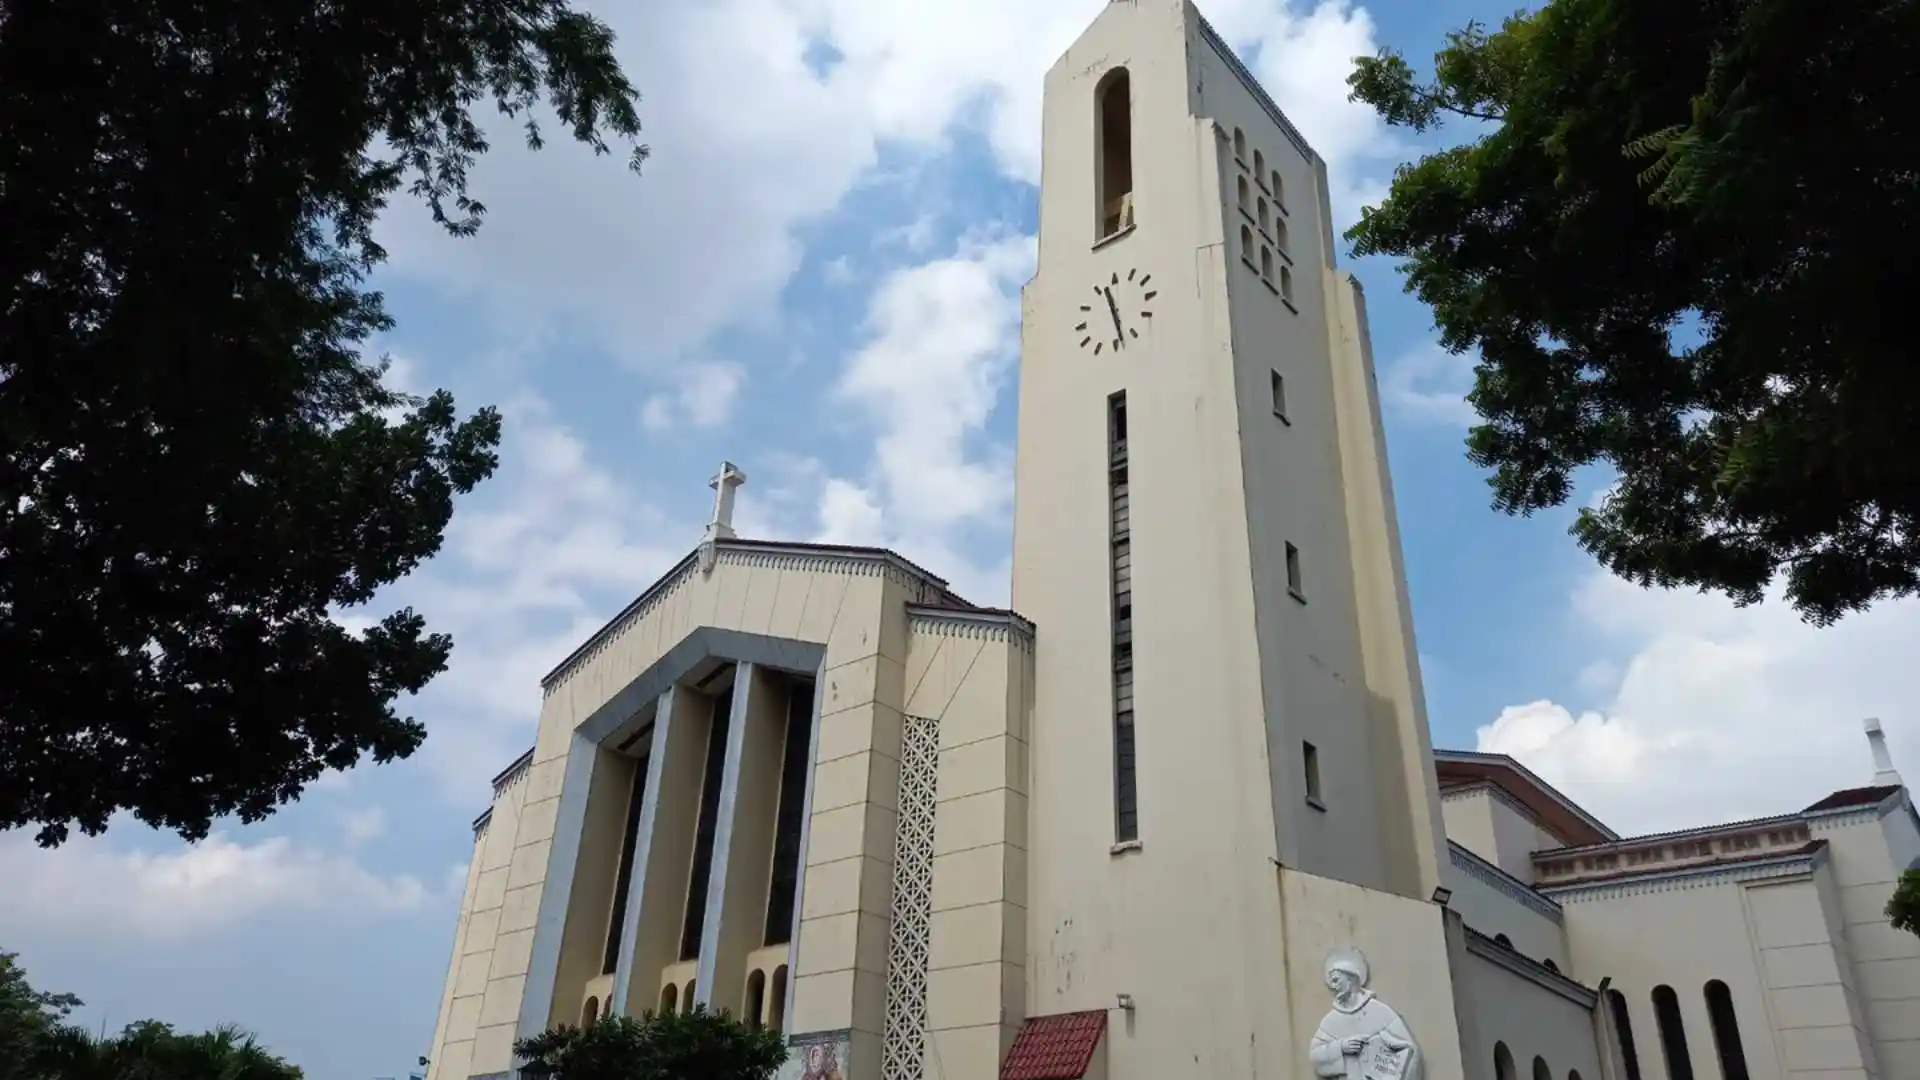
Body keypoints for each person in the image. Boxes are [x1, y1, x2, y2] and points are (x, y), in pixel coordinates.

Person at [1308, 948, 1423, 1080]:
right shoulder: (1332, 1021)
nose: (1334, 987)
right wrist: (1341, 1047)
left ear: (1350, 979)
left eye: (1336, 980)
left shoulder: (1379, 1012)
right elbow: (1315, 1056)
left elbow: (1409, 1051)